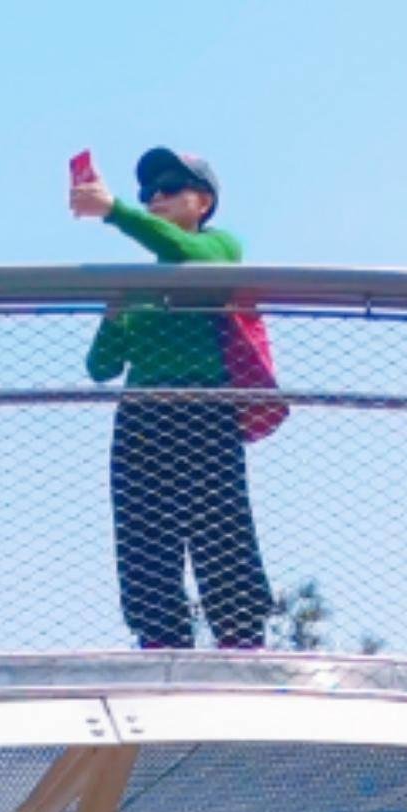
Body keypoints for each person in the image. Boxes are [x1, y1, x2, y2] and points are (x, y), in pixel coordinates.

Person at [71, 148, 271, 652]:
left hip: (203, 407)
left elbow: (195, 260)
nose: (154, 196)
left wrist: (116, 210)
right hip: (141, 416)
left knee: (218, 524)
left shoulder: (221, 246)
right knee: (143, 534)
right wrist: (113, 317)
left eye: (168, 185)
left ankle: (241, 639)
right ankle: (160, 640)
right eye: (147, 191)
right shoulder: (139, 285)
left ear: (202, 201)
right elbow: (101, 368)